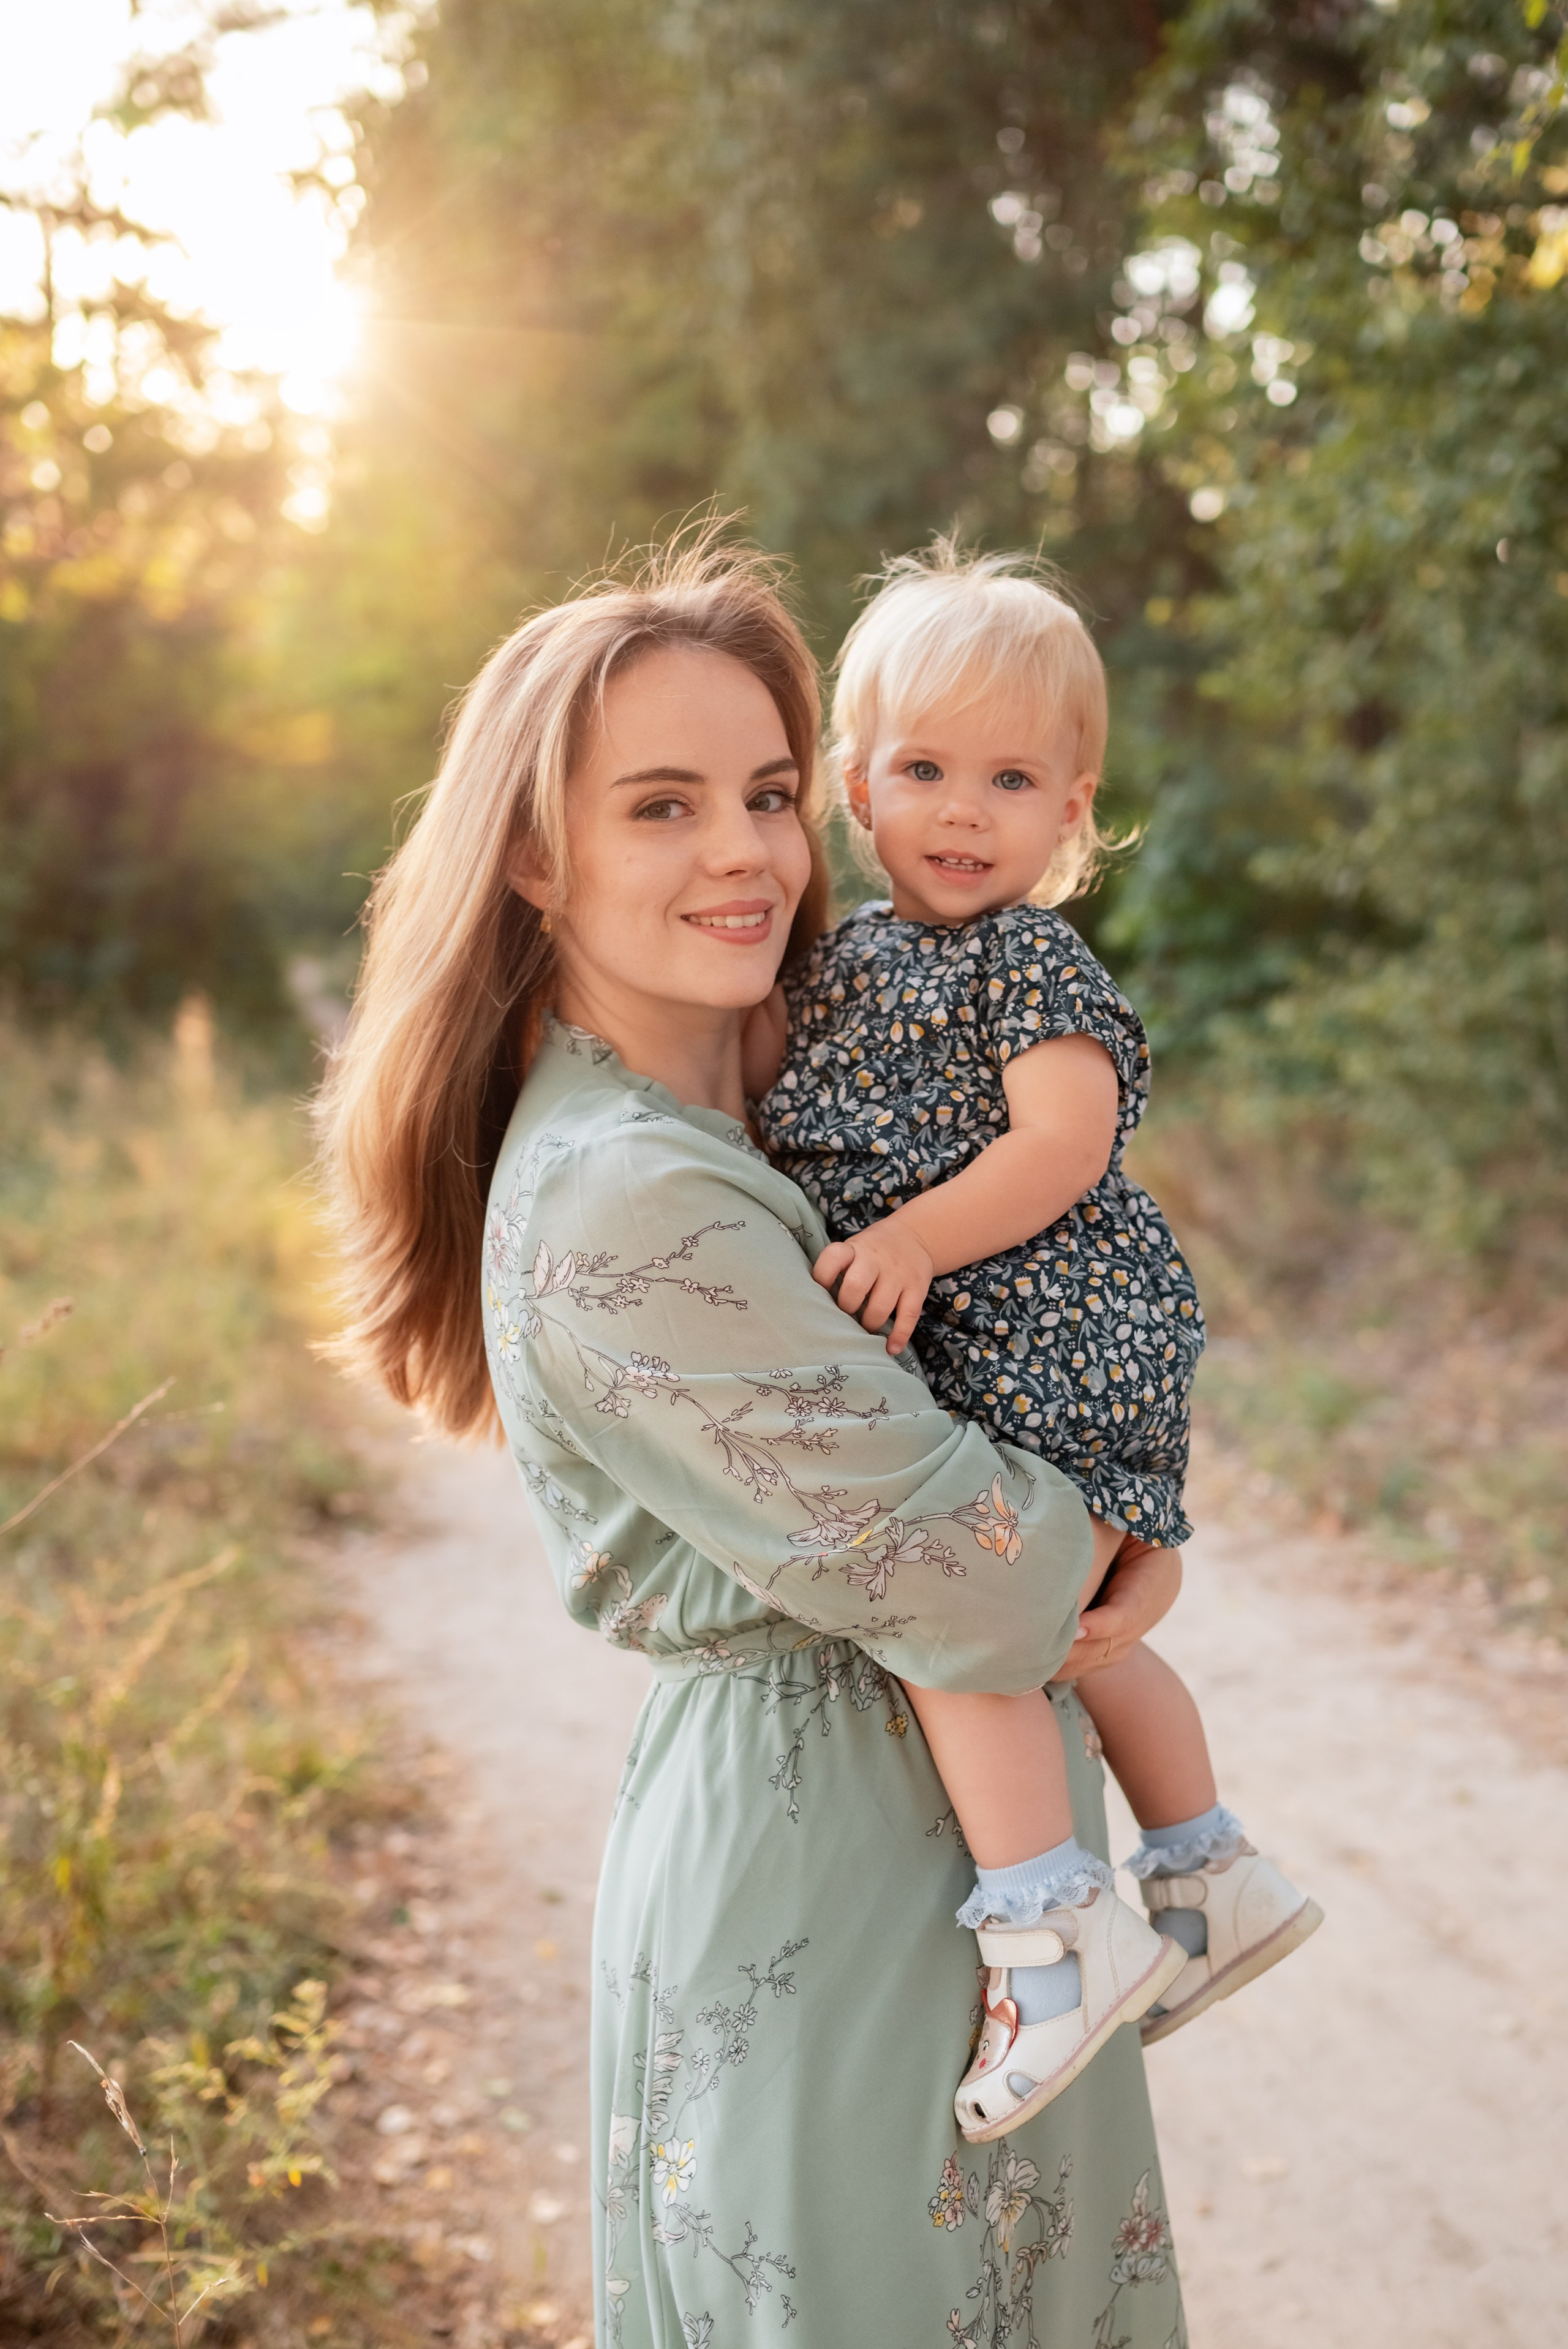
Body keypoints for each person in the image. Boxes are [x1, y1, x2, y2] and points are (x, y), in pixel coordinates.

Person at [315, 535, 1189, 2347]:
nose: (745, 851)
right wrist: (1120, 1534)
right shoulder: (632, 1197)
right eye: (660, 804)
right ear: (537, 855)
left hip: (951, 1864)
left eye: (772, 793)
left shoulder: (772, 1115)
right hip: (838, 1884)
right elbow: (988, 1576)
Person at [752, 544, 1321, 2141]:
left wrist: (918, 1238)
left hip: (1055, 1326)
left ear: (1073, 807)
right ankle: (1213, 1869)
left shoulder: (1028, 960)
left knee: (967, 1610)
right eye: (925, 767)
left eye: (1011, 777)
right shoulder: (850, 961)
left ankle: (1052, 1928)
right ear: (855, 783)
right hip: (985, 1335)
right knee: (1088, 1633)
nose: (962, 809)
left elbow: (1065, 1146)